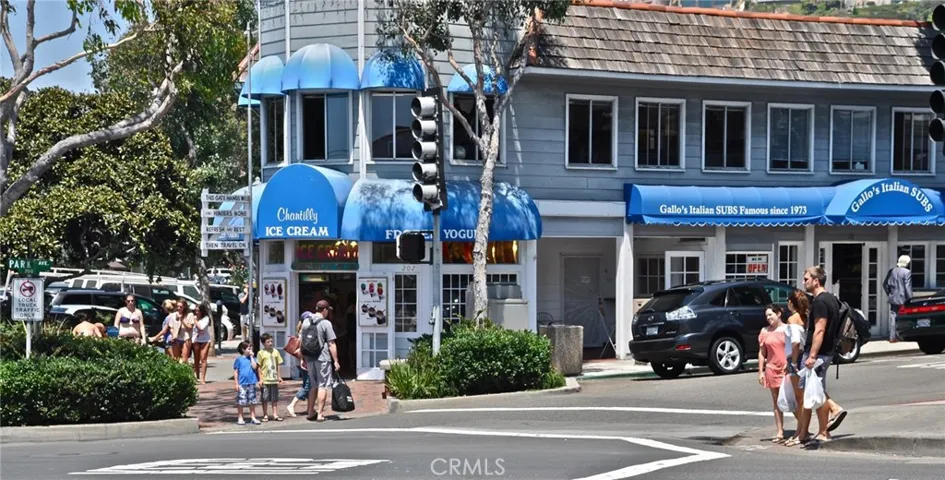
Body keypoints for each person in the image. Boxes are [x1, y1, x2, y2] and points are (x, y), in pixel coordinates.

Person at [788, 266, 847, 447]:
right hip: (826, 352)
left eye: (806, 279)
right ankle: (820, 432)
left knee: (814, 390)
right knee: (813, 389)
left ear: (816, 281)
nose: (803, 282)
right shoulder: (831, 299)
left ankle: (834, 409)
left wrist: (812, 355)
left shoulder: (821, 302)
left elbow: (819, 330)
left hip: (819, 353)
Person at [301, 300, 340, 422]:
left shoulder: (306, 321)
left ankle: (310, 412)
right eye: (328, 310)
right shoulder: (326, 323)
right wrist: (336, 361)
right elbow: (331, 343)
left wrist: (302, 358)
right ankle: (320, 414)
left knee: (313, 385)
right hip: (322, 358)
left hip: (309, 357)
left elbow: (302, 341)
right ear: (325, 310)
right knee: (322, 385)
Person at [758, 304, 789, 443]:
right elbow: (762, 353)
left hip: (786, 368)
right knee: (776, 401)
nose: (768, 318)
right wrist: (761, 371)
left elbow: (794, 348)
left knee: (791, 398)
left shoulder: (787, 329)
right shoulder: (765, 331)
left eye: (771, 314)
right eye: (767, 316)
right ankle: (780, 431)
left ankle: (801, 429)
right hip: (771, 368)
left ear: (779, 314)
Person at [783, 290, 809, 445]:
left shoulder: (793, 319)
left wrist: (792, 362)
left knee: (799, 398)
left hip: (796, 359)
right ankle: (801, 431)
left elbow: (795, 342)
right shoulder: (803, 317)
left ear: (791, 303)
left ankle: (800, 432)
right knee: (801, 398)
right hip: (801, 357)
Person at [285, 312, 312, 418]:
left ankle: (309, 408)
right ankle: (292, 405)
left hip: (301, 361)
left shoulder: (301, 330)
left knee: (308, 384)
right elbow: (302, 347)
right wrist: (302, 360)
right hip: (304, 361)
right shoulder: (304, 331)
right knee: (308, 385)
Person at [884, 254, 913, 343]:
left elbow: (885, 284)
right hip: (903, 298)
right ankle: (903, 335)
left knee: (893, 317)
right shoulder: (907, 272)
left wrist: (890, 293)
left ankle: (892, 337)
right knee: (904, 317)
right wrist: (910, 298)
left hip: (893, 298)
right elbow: (907, 287)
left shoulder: (892, 271)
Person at [257, 333, 285, 422]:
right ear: (263, 343)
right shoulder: (261, 353)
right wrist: (260, 378)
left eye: (271, 341)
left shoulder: (275, 351)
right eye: (268, 342)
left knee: (274, 398)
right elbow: (259, 366)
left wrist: (279, 376)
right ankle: (265, 414)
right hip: (265, 380)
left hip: (274, 379)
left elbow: (278, 364)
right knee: (265, 398)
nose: (270, 343)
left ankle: (275, 414)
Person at [233, 341, 262, 425]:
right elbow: (236, 372)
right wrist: (236, 383)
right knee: (241, 401)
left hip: (252, 382)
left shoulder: (253, 359)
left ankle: (253, 417)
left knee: (252, 401)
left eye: (251, 348)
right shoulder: (239, 360)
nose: (251, 350)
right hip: (242, 383)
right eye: (249, 349)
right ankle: (240, 417)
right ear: (243, 349)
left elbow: (255, 367)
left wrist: (252, 357)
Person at [191, 304, 213, 384]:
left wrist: (195, 321)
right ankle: (196, 376)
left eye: (198, 311)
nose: (197, 312)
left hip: (205, 340)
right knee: (196, 359)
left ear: (202, 311)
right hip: (196, 340)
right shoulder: (193, 317)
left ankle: (203, 378)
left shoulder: (205, 318)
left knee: (203, 358)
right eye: (195, 310)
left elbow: (201, 328)